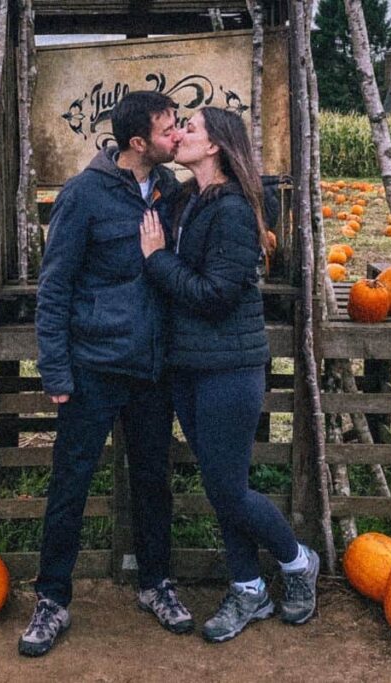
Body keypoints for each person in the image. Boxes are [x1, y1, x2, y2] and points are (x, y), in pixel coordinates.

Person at [21, 91, 193, 657]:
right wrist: (56, 372)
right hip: (93, 367)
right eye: (169, 128)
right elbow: (55, 288)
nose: (177, 134)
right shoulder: (84, 195)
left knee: (152, 481)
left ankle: (156, 583)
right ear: (139, 142)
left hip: (151, 367)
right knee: (71, 481)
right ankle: (51, 599)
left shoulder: (171, 190)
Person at [139, 106, 320, 644]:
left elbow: (216, 297)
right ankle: (248, 587)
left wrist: (157, 259)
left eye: (189, 129)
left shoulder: (236, 210)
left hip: (229, 367)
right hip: (189, 367)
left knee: (227, 489)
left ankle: (296, 562)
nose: (179, 135)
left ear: (215, 145)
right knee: (224, 488)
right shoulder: (191, 198)